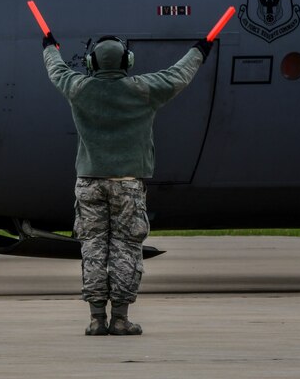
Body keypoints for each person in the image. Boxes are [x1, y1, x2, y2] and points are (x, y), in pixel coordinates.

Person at [41, 32, 212, 335]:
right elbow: (180, 74)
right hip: (127, 184)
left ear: (92, 62)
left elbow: (56, 69)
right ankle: (120, 319)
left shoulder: (79, 88)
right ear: (127, 61)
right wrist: (201, 49)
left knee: (93, 247)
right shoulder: (143, 90)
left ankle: (96, 319)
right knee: (126, 249)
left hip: (89, 183)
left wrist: (50, 48)